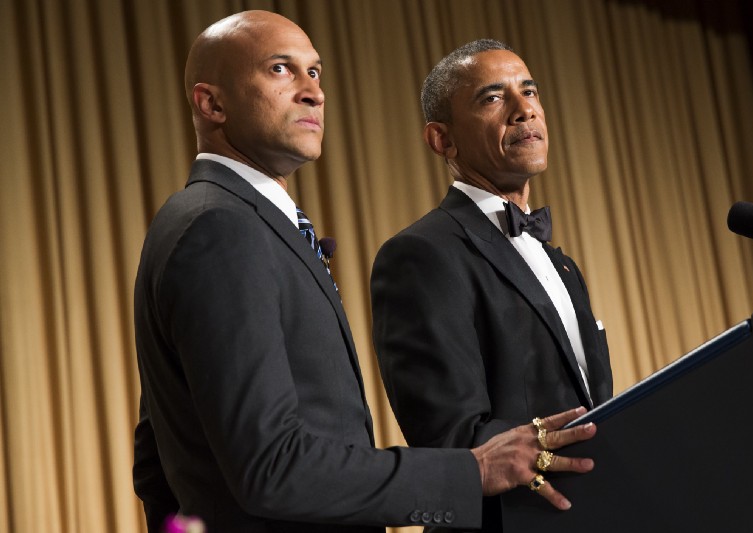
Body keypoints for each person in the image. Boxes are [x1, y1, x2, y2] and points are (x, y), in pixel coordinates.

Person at [132, 12, 598, 533]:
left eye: (316, 72)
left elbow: (156, 463)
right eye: (282, 70)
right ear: (211, 103)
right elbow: (270, 468)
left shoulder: (221, 221)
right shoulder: (221, 228)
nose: (314, 92)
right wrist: (473, 470)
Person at [370, 39, 614, 532]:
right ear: (442, 140)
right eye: (493, 98)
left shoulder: (560, 263)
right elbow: (450, 435)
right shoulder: (422, 254)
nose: (525, 110)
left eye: (530, 91)